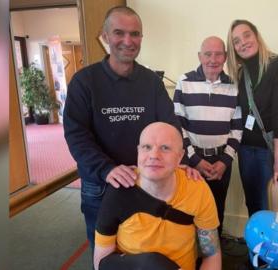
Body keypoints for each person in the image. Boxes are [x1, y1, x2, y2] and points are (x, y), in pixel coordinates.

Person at [63, 6, 183, 250]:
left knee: (141, 251)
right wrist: (106, 169)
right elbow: (76, 135)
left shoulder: (152, 82)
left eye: (135, 34)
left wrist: (183, 161)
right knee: (105, 255)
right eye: (119, 33)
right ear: (105, 36)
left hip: (146, 181)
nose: (128, 41)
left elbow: (170, 126)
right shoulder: (84, 81)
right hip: (101, 184)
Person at [94, 122, 221, 270]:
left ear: (180, 157)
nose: (154, 155)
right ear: (138, 151)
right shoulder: (118, 191)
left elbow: (212, 255)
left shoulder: (197, 188)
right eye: (146, 147)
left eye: (165, 148)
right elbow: (101, 263)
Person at [173, 36, 242, 236]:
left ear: (225, 57)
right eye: (208, 54)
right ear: (199, 56)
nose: (213, 59)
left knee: (216, 211)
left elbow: (237, 128)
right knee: (189, 212)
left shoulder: (233, 85)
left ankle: (214, 257)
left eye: (218, 54)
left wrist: (225, 161)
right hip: (191, 162)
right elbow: (178, 125)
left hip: (221, 163)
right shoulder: (184, 82)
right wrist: (194, 159)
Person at [226, 20, 278, 216]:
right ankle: (254, 248)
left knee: (271, 208)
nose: (243, 43)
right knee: (253, 206)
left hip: (270, 150)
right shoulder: (240, 73)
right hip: (246, 150)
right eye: (236, 41)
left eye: (247, 35)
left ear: (256, 35)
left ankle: (272, 248)